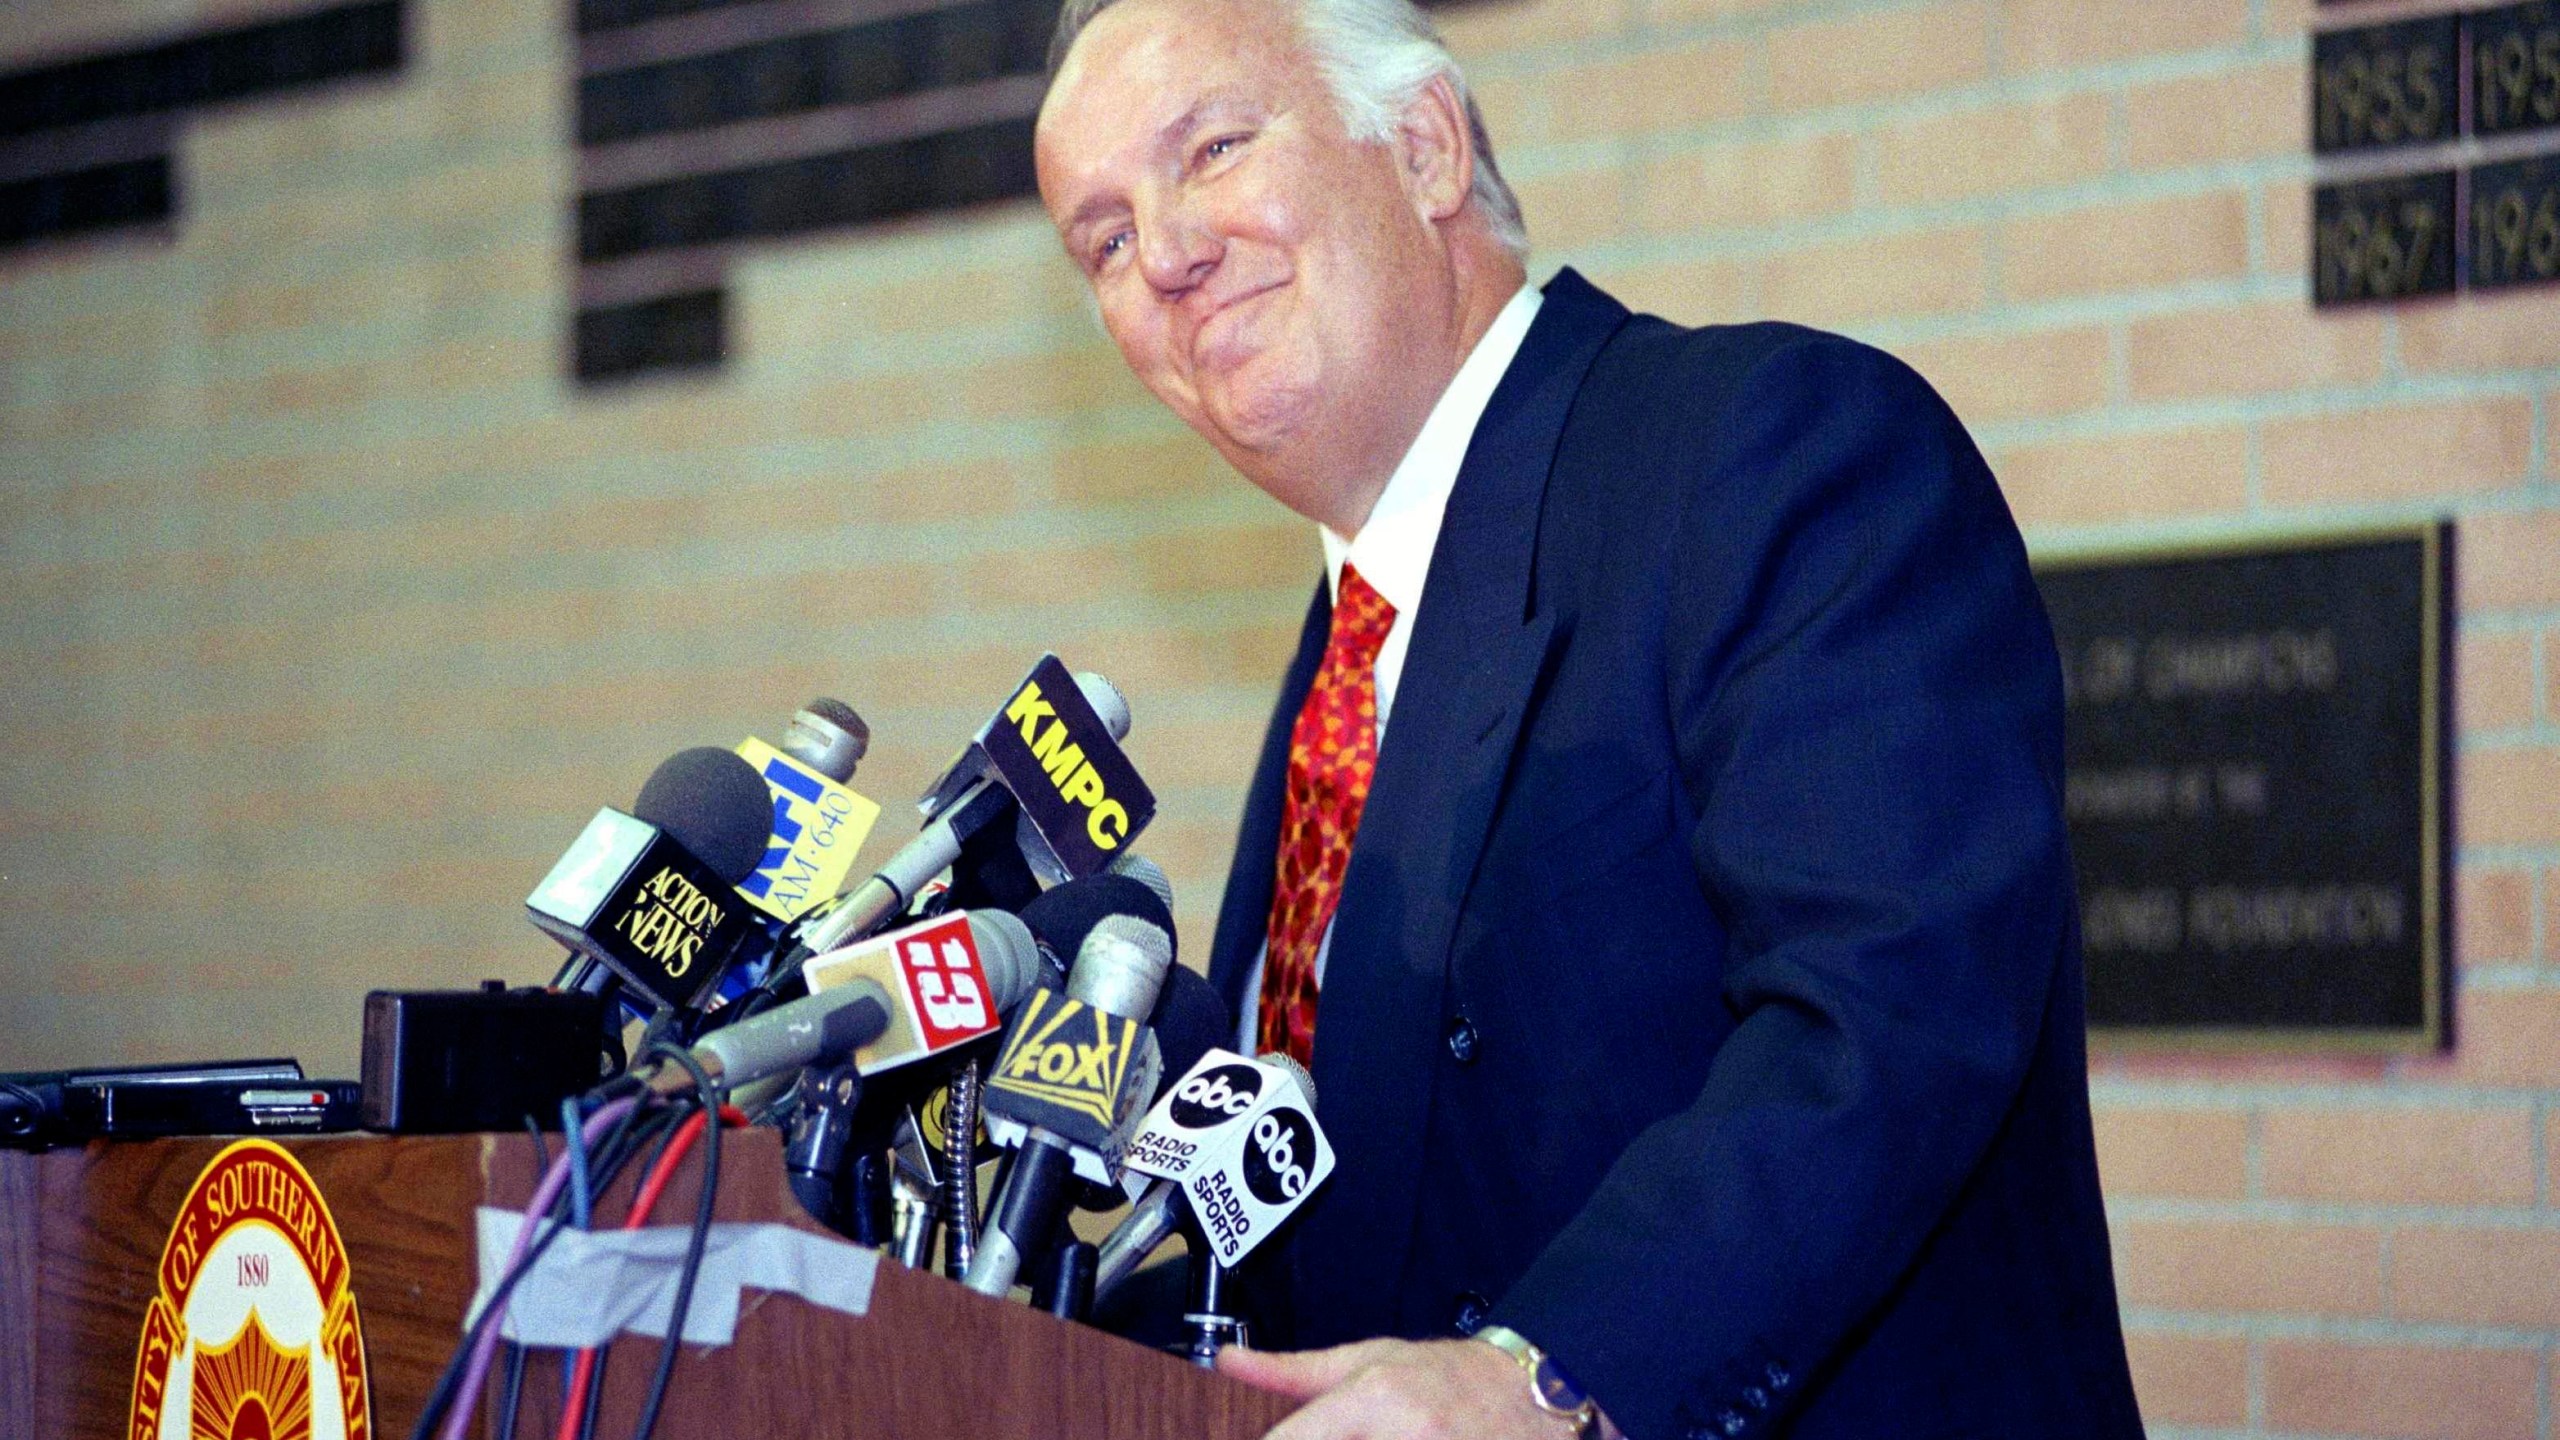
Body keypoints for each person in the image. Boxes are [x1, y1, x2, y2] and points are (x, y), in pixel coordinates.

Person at [1031, 0, 2146, 1434]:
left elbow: (1887, 1010)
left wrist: (1550, 1373)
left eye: (1217, 148)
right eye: (1105, 241)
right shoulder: (1345, 649)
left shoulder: (1773, 450)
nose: (1169, 255)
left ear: (1426, 145)